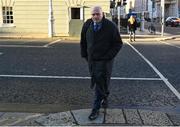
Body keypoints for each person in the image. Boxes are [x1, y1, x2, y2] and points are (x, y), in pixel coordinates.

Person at [80, 6, 123, 120]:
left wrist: (108, 56)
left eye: (97, 14)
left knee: (99, 82)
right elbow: (83, 40)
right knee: (99, 80)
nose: (95, 16)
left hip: (105, 61)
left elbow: (118, 43)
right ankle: (105, 96)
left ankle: (95, 109)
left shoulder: (110, 26)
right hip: (91, 59)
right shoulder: (87, 24)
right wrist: (84, 54)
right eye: (93, 14)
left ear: (102, 14)